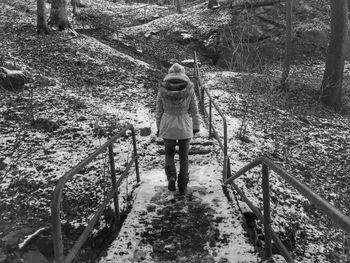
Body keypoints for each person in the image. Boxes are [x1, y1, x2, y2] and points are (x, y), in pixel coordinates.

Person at [156, 63, 200, 195]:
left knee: (169, 153)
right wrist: (196, 126)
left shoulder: (162, 88)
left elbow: (159, 110)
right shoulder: (189, 88)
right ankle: (182, 185)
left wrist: (159, 127)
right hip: (184, 124)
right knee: (184, 156)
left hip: (168, 124)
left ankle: (171, 177)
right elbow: (194, 109)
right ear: (183, 72)